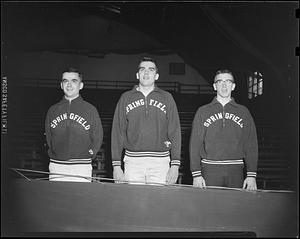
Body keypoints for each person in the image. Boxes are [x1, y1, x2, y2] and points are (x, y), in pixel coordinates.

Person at [111, 57, 181, 185]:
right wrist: (116, 166)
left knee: (158, 202)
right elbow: (117, 132)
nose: (146, 73)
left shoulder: (167, 98)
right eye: (142, 70)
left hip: (160, 161)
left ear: (157, 75)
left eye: (151, 70)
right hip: (133, 161)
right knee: (133, 202)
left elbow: (175, 132)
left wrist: (175, 165)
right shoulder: (126, 98)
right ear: (137, 75)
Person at [189, 69, 258, 190]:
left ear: (233, 86)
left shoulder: (243, 112)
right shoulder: (203, 111)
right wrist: (196, 174)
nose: (224, 85)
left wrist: (251, 174)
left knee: (235, 208)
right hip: (210, 170)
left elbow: (251, 144)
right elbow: (195, 144)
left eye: (228, 81)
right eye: (220, 82)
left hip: (235, 170)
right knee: (209, 207)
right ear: (215, 86)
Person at [45, 67, 103, 182]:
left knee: (79, 199)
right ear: (61, 85)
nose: (69, 85)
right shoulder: (53, 110)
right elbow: (48, 137)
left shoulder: (90, 109)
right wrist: (56, 153)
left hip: (81, 166)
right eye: (65, 81)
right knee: (55, 199)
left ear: (81, 85)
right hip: (57, 166)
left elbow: (97, 136)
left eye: (74, 81)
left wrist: (89, 154)